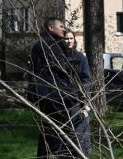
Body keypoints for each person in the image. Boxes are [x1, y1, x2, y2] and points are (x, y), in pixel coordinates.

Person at [30, 18, 85, 159]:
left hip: (42, 94)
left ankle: (43, 155)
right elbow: (61, 67)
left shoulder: (37, 45)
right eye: (61, 26)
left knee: (47, 130)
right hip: (57, 95)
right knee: (63, 132)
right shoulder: (53, 44)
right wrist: (74, 64)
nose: (64, 29)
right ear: (51, 28)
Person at [63, 30, 92, 157]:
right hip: (62, 100)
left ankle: (82, 154)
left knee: (80, 132)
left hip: (78, 102)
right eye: (66, 38)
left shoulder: (80, 58)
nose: (69, 41)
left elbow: (86, 79)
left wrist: (85, 101)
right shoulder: (58, 57)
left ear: (74, 40)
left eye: (71, 38)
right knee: (65, 134)